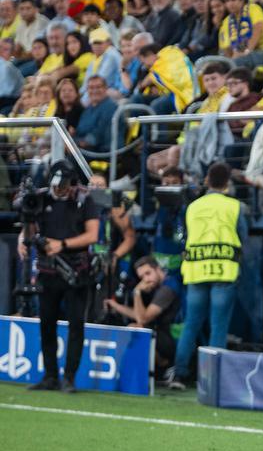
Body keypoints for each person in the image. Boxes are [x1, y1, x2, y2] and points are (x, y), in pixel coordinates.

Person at [20, 160, 100, 393]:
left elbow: (92, 235)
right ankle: (50, 376)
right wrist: (24, 236)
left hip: (76, 270)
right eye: (57, 185)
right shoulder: (41, 198)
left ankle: (70, 378)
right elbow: (30, 231)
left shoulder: (84, 199)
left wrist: (62, 244)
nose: (61, 190)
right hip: (48, 270)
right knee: (46, 324)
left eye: (65, 185)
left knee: (76, 324)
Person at [166, 162, 247, 390]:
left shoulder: (193, 207)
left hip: (196, 269)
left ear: (207, 180)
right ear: (227, 183)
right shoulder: (235, 206)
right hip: (223, 269)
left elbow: (184, 236)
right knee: (218, 327)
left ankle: (179, 374)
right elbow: (243, 236)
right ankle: (211, 382)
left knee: (191, 324)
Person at [103, 255, 183, 378]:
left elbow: (142, 319)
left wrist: (137, 292)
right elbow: (140, 314)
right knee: (135, 327)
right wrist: (116, 306)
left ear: (158, 269)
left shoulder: (167, 289)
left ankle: (165, 366)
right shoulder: (159, 285)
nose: (145, 280)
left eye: (148, 273)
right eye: (142, 277)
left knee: (136, 328)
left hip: (175, 337)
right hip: (164, 333)